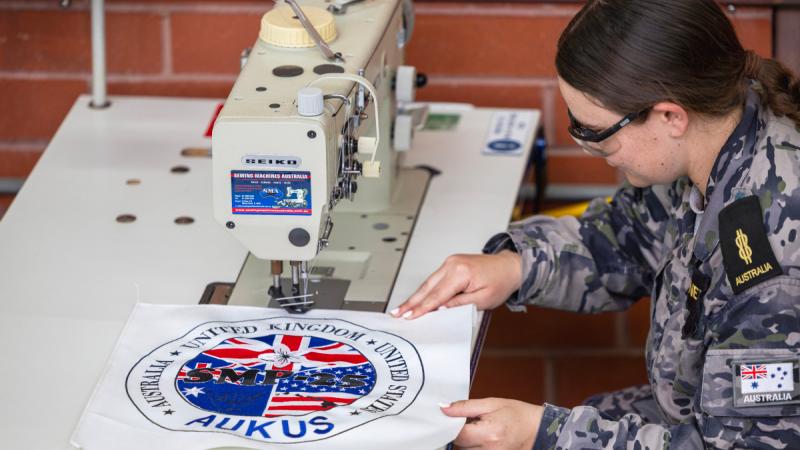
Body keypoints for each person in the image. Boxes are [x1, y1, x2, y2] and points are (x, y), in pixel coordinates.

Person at [392, 0, 800, 448]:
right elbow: (629, 235)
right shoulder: (720, 127)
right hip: (685, 411)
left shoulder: (771, 264)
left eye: (595, 133)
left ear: (670, 117)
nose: (586, 147)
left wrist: (544, 435)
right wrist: (518, 266)